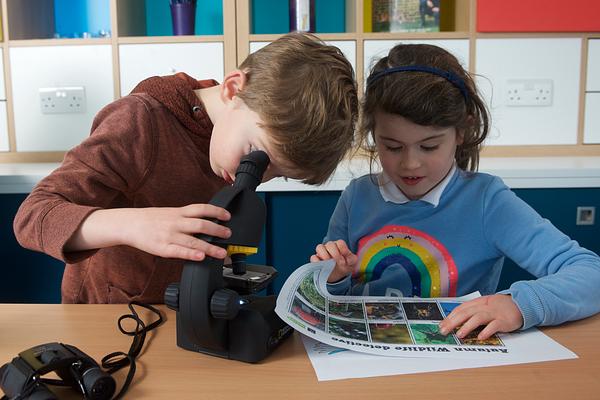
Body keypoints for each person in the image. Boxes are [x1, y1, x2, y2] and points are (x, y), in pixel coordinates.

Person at [13, 32, 358, 304]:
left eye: (276, 174)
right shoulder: (140, 123)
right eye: (256, 154)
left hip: (176, 318)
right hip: (107, 323)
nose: (255, 177)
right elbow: (33, 217)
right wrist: (133, 226)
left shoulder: (229, 142)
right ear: (233, 89)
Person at [310, 43, 600, 341]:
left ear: (462, 131)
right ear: (373, 135)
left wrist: (518, 304)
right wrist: (334, 278)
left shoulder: (486, 200)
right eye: (392, 146)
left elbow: (591, 273)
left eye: (430, 146)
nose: (411, 163)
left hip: (456, 368)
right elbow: (326, 298)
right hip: (364, 357)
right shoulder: (357, 196)